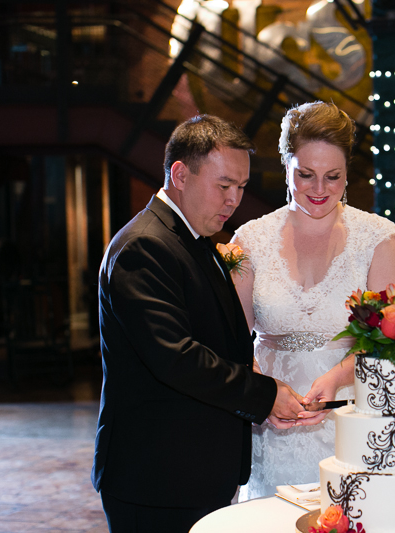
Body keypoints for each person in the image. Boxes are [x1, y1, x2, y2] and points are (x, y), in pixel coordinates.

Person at [92, 115, 312, 532]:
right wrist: (263, 395)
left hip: (190, 472)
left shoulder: (191, 240)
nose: (234, 200)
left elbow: (218, 339)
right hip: (155, 478)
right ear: (180, 173)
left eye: (241, 187)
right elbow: (175, 358)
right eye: (224, 185)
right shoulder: (145, 246)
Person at [231, 101, 395, 500]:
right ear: (285, 166)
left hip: (355, 415)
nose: (319, 190)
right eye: (306, 175)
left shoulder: (379, 239)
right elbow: (227, 335)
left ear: (348, 171)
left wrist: (338, 377)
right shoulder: (250, 240)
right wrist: (263, 390)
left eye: (333, 177)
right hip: (275, 421)